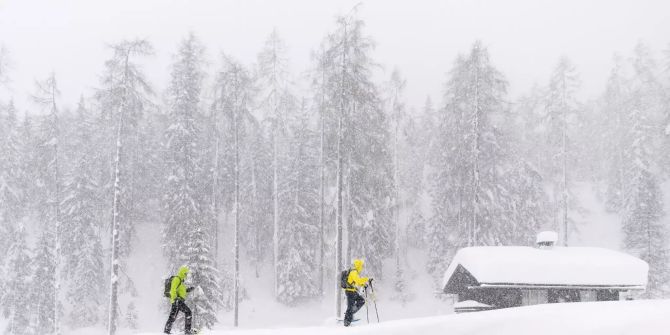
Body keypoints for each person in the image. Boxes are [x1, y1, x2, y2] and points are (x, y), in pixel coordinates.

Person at [164, 265, 195, 334]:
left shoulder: (181, 281)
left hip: (177, 301)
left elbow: (182, 292)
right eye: (185, 273)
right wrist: (175, 299)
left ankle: (166, 331)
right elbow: (173, 289)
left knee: (173, 316)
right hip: (177, 301)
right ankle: (187, 331)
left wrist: (188, 290)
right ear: (182, 272)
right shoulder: (177, 279)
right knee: (188, 312)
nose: (186, 275)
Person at [343, 259, 371, 327]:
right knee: (350, 306)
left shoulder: (354, 272)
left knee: (361, 301)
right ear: (358, 266)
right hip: (350, 292)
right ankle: (347, 322)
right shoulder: (353, 272)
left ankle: (349, 314)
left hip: (353, 291)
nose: (361, 268)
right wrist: (367, 279)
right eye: (361, 266)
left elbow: (356, 282)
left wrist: (363, 284)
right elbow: (358, 281)